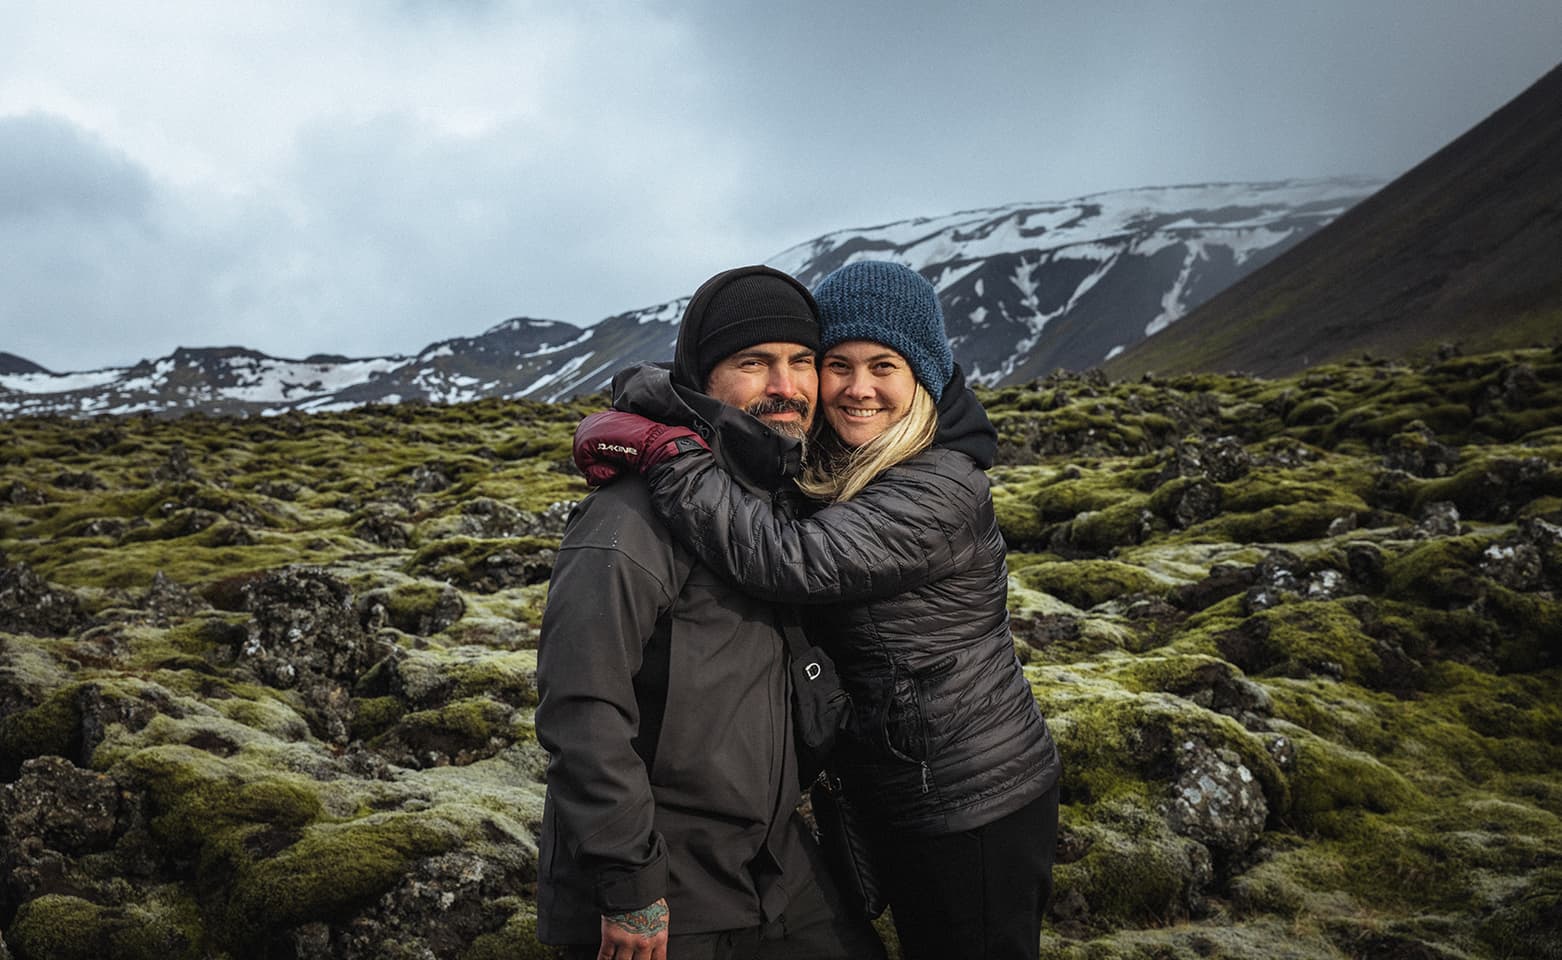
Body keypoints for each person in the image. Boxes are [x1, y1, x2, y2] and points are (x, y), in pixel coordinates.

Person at [575, 260, 1063, 960]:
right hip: (896, 789)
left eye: (884, 366)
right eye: (837, 365)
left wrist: (666, 450)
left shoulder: (941, 485)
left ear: (923, 376)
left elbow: (791, 559)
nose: (858, 388)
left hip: (972, 798)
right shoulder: (836, 464)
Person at [534, 264, 887, 960]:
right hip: (666, 885)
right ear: (702, 374)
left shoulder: (780, 501)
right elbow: (581, 705)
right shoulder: (631, 515)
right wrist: (629, 884)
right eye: (754, 363)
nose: (786, 386)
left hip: (776, 867)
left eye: (802, 361)